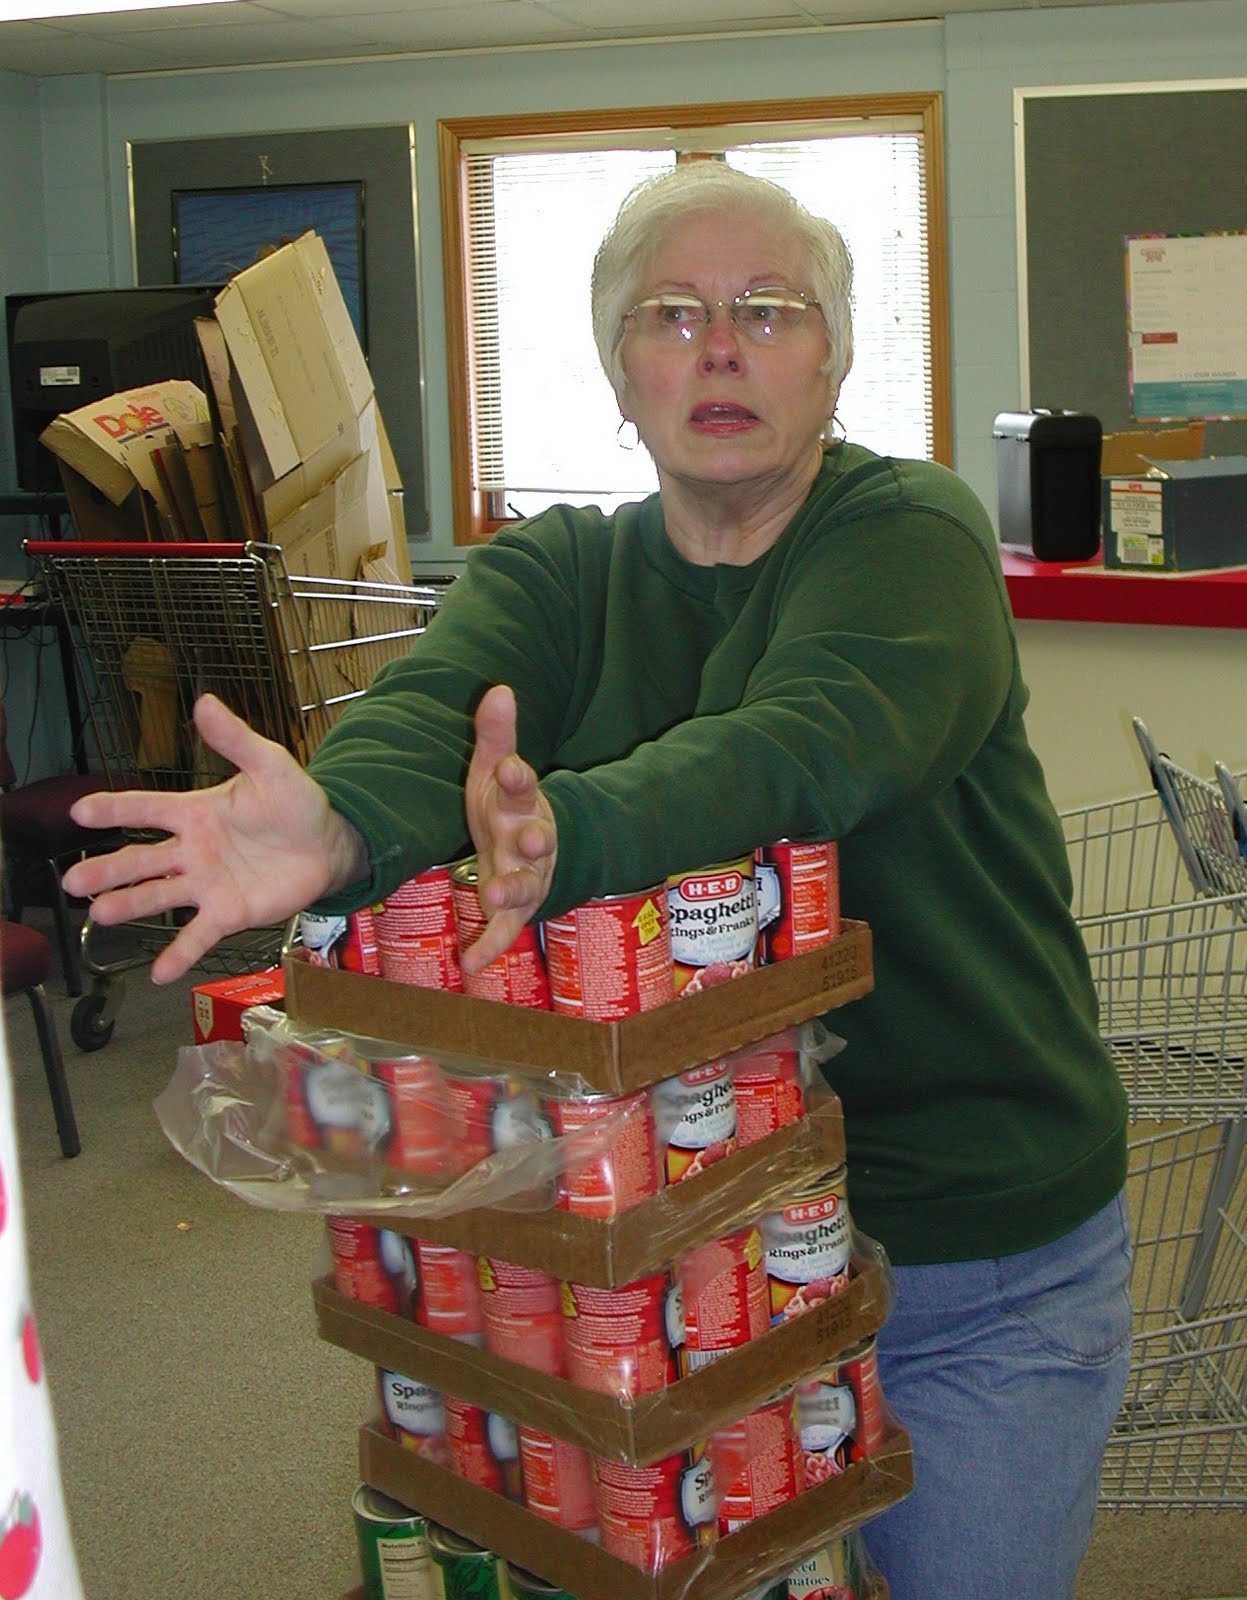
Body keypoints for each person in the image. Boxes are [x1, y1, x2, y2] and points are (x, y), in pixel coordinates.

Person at [64, 162, 1131, 1598]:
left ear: (836, 359)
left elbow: (796, 750)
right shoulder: (562, 569)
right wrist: (340, 827)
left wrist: (571, 829)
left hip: (968, 1240)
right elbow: (439, 707)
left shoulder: (912, 537)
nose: (722, 344)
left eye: (770, 307)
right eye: (669, 314)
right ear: (617, 372)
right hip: (683, 1245)